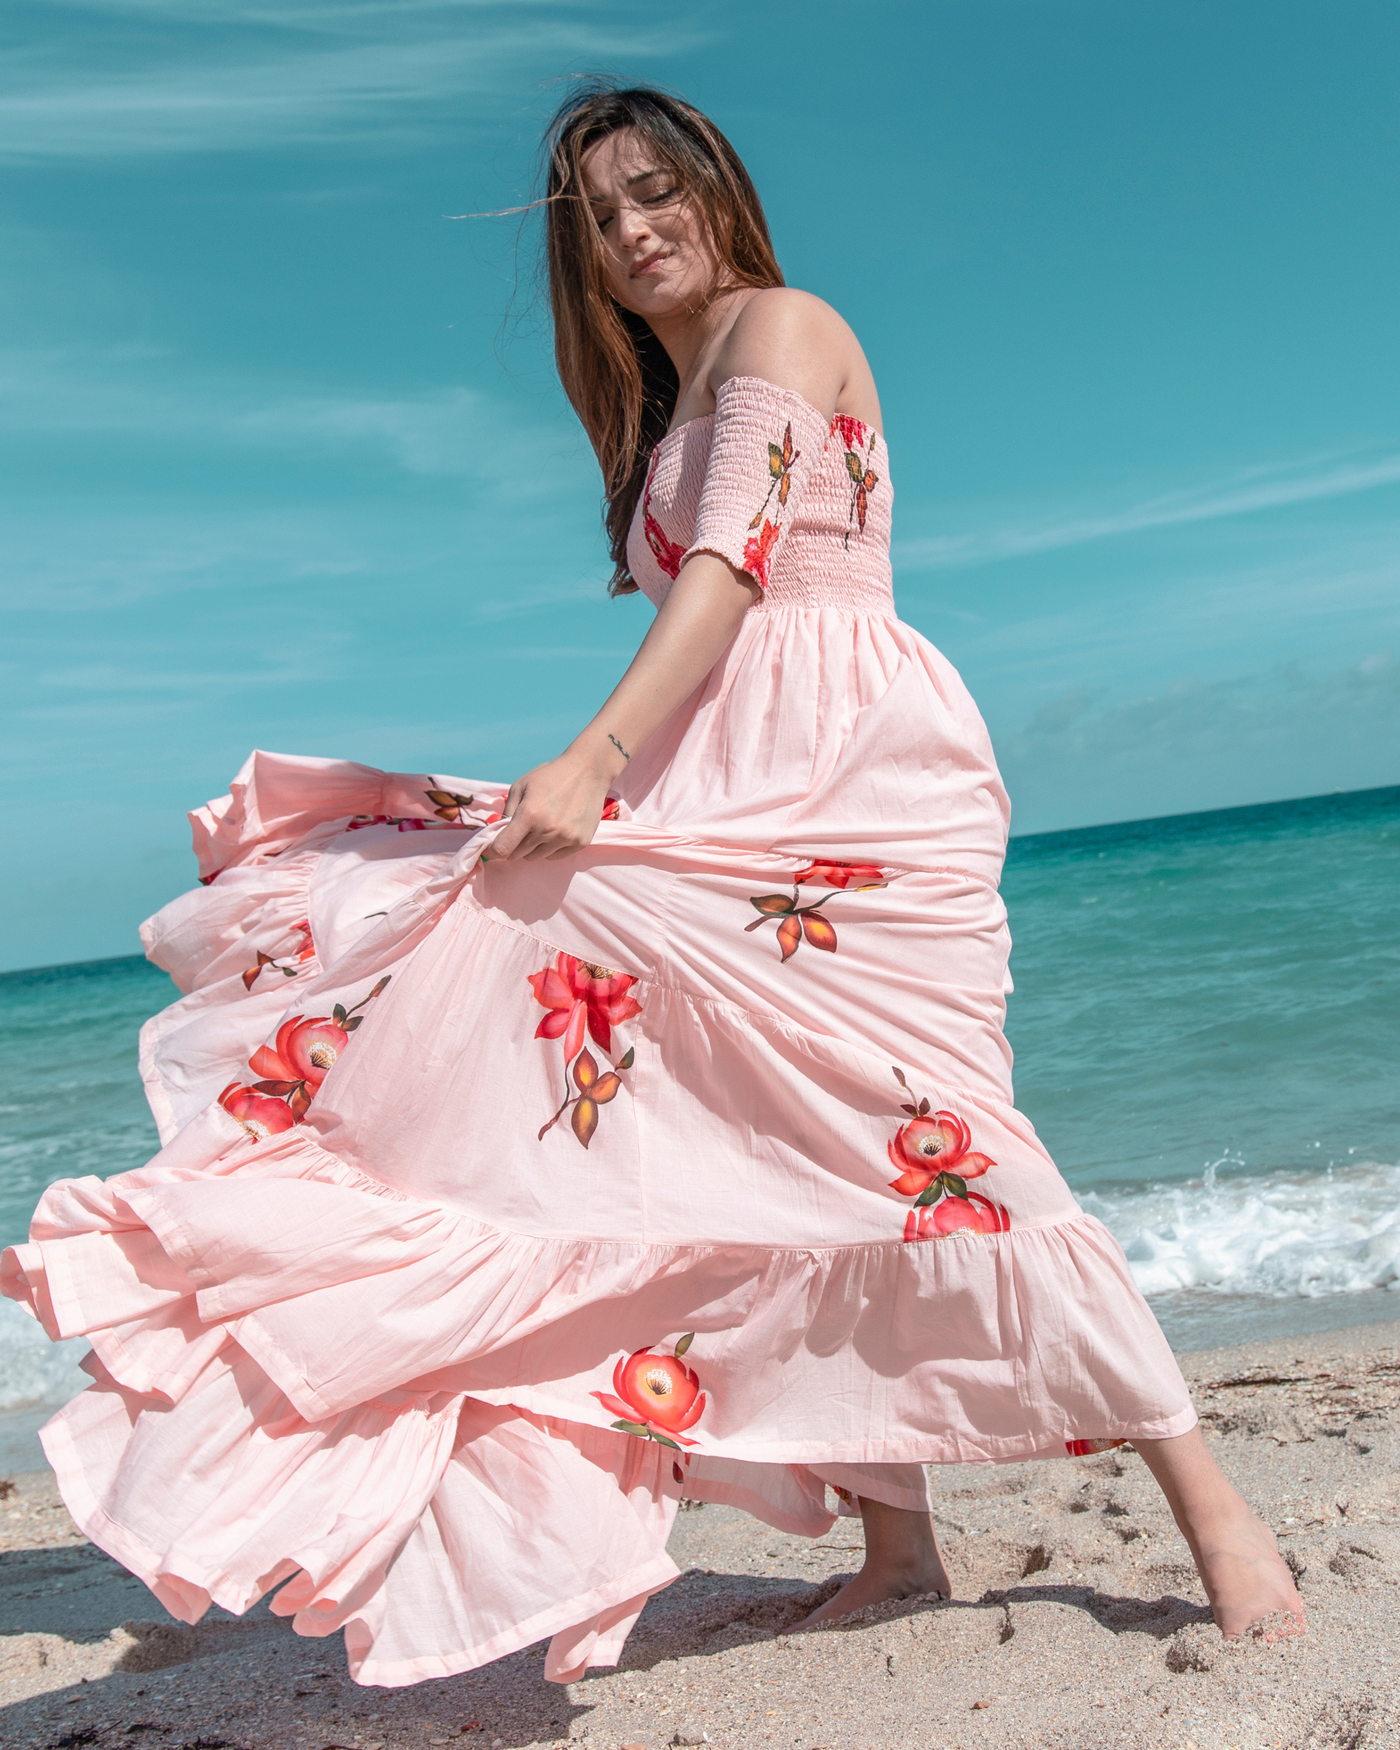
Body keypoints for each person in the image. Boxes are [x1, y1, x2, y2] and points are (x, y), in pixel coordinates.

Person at [1, 82, 1303, 1686]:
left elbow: (734, 572)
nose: (632, 233)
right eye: (599, 220)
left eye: (650, 194)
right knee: (751, 1150)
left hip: (851, 777)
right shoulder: (663, 407)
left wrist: (592, 763)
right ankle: (899, 1546)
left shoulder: (782, 325)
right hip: (726, 773)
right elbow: (697, 618)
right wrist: (615, 780)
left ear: (713, 190)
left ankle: (1212, 1502)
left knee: (941, 1133)